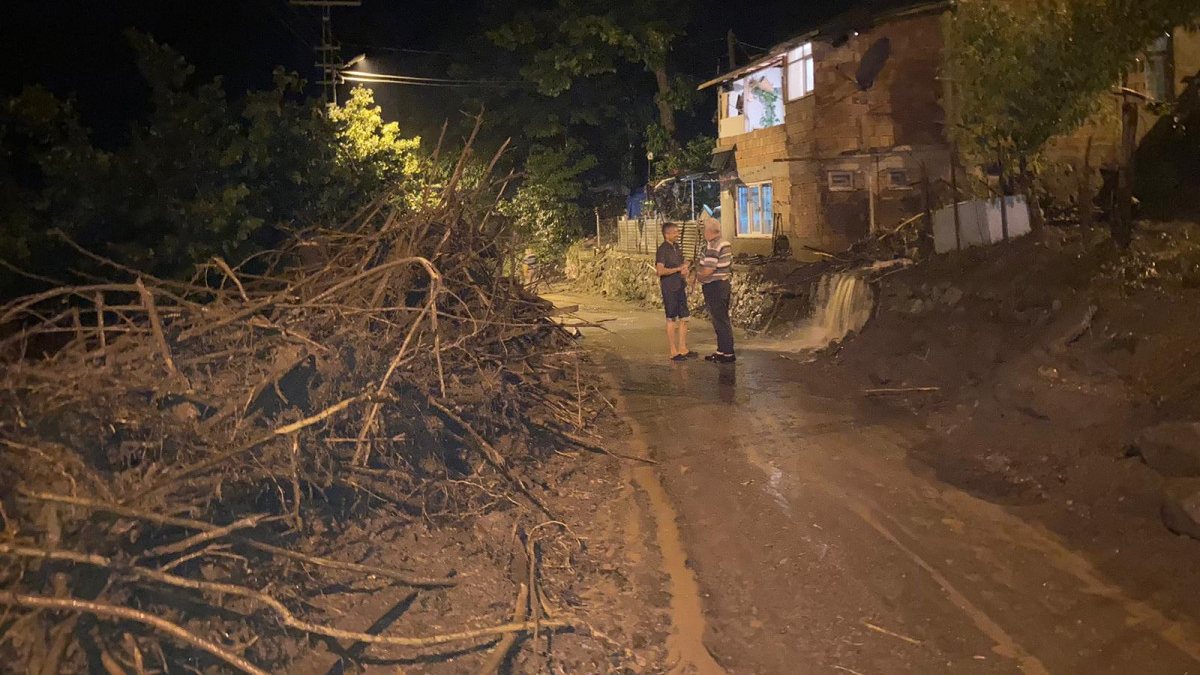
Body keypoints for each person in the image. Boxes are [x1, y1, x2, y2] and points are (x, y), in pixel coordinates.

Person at [695, 216, 735, 363]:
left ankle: (727, 353)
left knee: (720, 319)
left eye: (704, 230)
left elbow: (708, 269)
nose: (703, 233)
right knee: (720, 318)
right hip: (722, 284)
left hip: (715, 286)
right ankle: (722, 350)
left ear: (710, 231)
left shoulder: (714, 245)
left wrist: (699, 276)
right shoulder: (724, 243)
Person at [655, 222, 696, 362]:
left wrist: (686, 266)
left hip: (680, 286)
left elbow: (682, 262)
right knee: (671, 318)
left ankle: (683, 348)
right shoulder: (662, 250)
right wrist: (677, 269)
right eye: (675, 232)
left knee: (685, 317)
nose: (677, 234)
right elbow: (660, 271)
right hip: (669, 287)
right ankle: (673, 350)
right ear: (667, 234)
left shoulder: (677, 247)